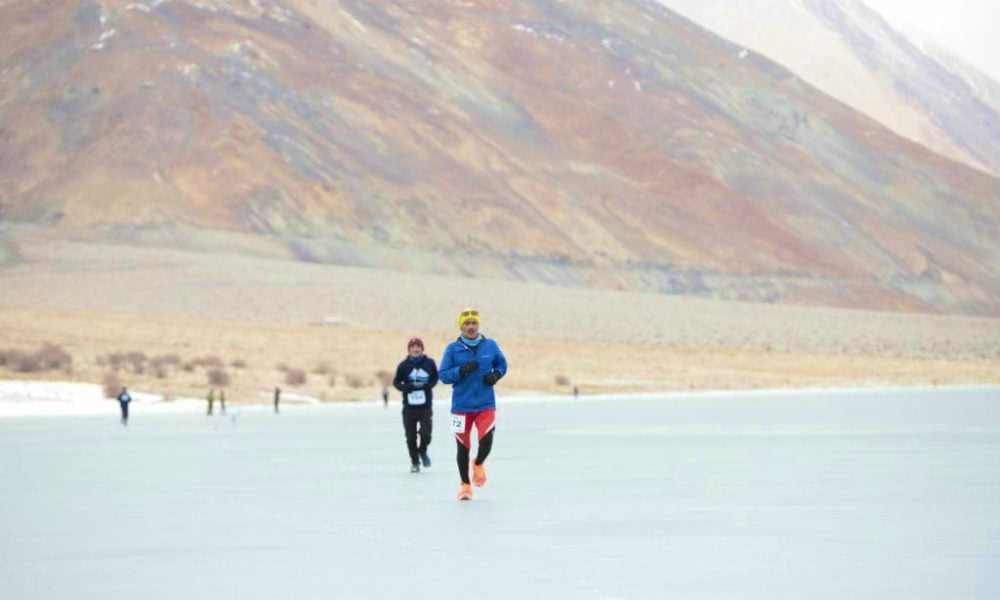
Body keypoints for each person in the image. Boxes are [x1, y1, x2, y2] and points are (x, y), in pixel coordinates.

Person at [439, 308, 507, 500]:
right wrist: (462, 370)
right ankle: (465, 486)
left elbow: (502, 365)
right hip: (461, 406)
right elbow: (443, 375)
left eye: (474, 323)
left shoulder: (490, 345)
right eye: (467, 323)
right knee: (463, 447)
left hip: (486, 403)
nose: (471, 327)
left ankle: (478, 463)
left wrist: (496, 375)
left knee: (486, 439)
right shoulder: (453, 349)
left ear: (478, 325)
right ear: (461, 326)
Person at [392, 337, 439, 473]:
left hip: (425, 406)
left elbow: (435, 378)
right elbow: (396, 382)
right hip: (409, 407)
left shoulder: (429, 363)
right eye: (412, 347)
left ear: (422, 349)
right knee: (410, 436)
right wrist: (406, 387)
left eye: (418, 346)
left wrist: (427, 386)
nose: (415, 349)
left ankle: (422, 451)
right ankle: (415, 462)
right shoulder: (403, 365)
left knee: (426, 434)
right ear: (409, 350)